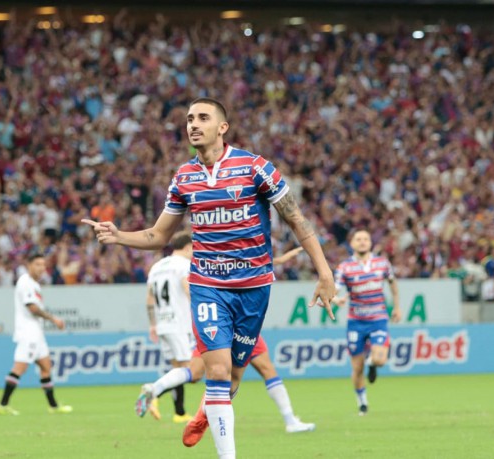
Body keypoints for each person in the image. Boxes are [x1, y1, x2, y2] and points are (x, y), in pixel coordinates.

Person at [85, 97, 335, 459]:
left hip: (253, 288)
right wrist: (119, 234)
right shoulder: (184, 177)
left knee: (233, 376)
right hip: (207, 286)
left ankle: (207, 412)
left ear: (222, 127)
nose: (193, 124)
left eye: (202, 117)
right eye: (189, 118)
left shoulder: (255, 168)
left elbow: (297, 220)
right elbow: (159, 236)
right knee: (216, 371)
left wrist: (324, 273)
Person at [137, 248, 315, 436]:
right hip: (240, 319)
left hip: (212, 320)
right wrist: (280, 259)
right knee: (263, 370)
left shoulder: (180, 262)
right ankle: (288, 420)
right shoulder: (217, 254)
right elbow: (252, 263)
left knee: (195, 372)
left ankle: (156, 389)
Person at [333, 230, 400, 416]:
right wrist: (335, 299)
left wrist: (397, 307)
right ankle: (362, 401)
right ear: (352, 243)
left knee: (379, 359)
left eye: (365, 239)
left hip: (378, 318)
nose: (362, 242)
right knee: (357, 367)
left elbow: (393, 283)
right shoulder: (345, 267)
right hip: (356, 322)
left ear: (370, 242)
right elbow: (335, 288)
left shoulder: (382, 263)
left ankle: (372, 362)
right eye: (358, 239)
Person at [0, 253, 72, 415]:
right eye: (37, 264)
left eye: (43, 264)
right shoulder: (26, 283)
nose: (41, 268)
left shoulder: (34, 284)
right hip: (28, 333)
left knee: (46, 367)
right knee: (19, 368)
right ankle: (2, 405)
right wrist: (54, 319)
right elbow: (32, 308)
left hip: (36, 333)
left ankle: (53, 406)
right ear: (29, 265)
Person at [137, 231, 195, 423]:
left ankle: (179, 413)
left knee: (176, 369)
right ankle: (154, 391)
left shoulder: (156, 267)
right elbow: (188, 289)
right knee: (190, 371)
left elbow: (149, 299)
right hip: (180, 323)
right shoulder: (185, 265)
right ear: (187, 247)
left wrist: (153, 325)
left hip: (162, 323)